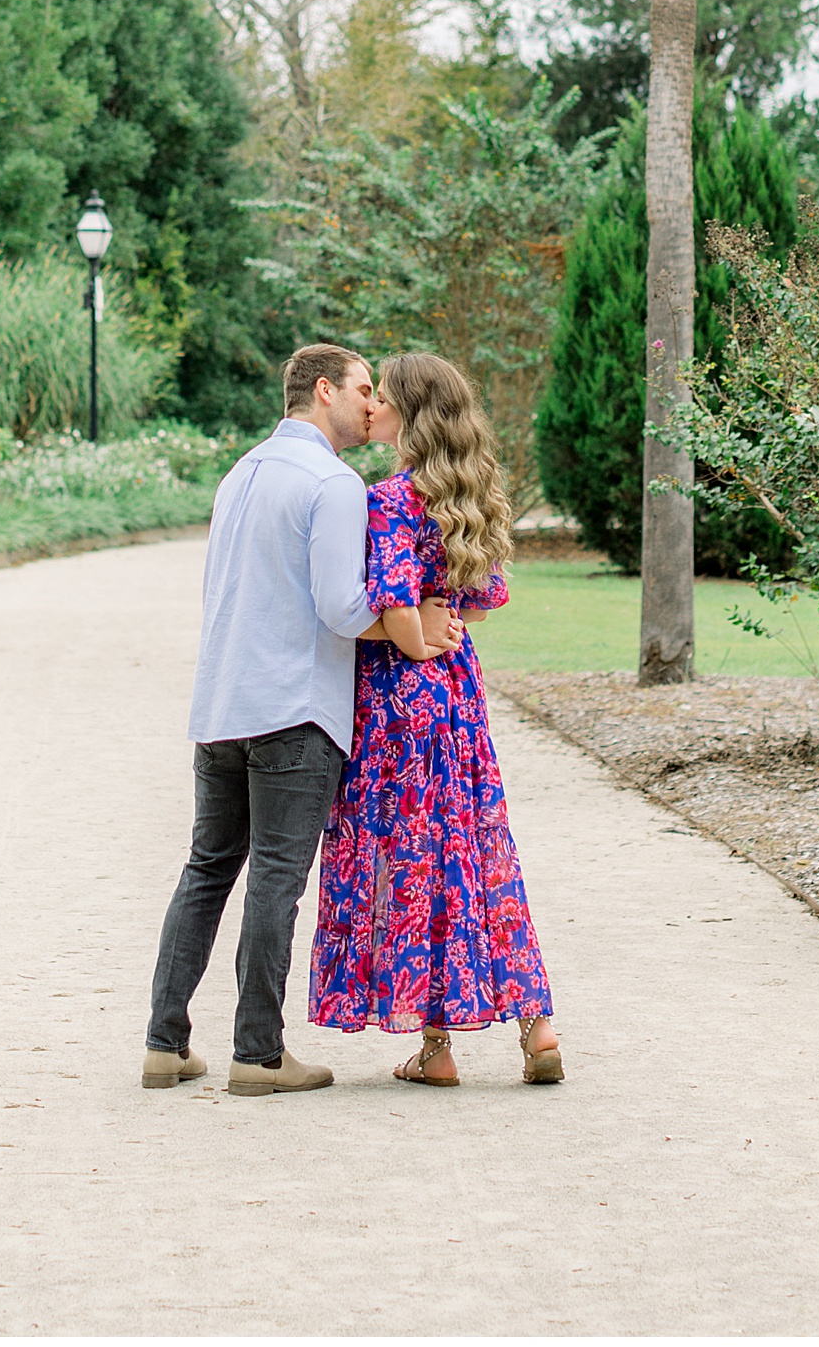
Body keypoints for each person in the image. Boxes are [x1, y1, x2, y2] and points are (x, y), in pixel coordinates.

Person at [142, 342, 463, 1098]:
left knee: (207, 870)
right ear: (324, 390)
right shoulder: (334, 482)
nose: (370, 403)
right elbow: (343, 609)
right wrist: (416, 625)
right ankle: (257, 1054)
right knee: (277, 881)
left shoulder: (240, 473)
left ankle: (165, 1043)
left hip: (220, 704)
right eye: (360, 388)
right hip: (296, 712)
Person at [309, 351, 563, 1086]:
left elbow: (395, 613)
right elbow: (486, 599)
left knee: (413, 862)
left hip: (399, 701)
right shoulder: (470, 493)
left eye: (381, 399)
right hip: (460, 699)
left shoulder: (389, 498)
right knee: (480, 849)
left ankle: (436, 1045)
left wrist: (419, 632)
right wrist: (443, 617)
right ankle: (536, 1025)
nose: (371, 409)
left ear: (409, 417)